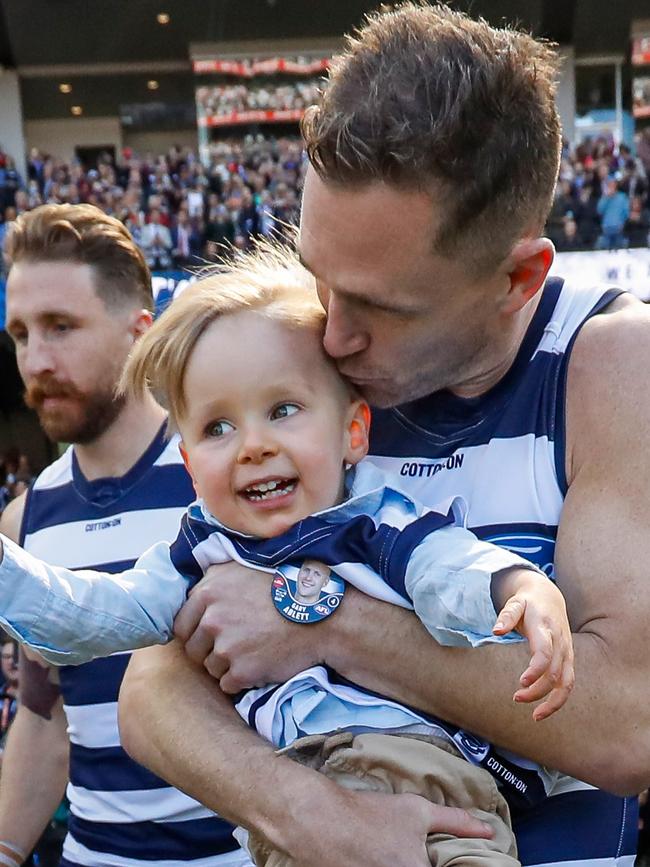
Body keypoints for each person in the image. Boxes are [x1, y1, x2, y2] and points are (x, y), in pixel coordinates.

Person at [118, 6, 650, 867]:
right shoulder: (303, 363)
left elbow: (627, 720)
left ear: (518, 277)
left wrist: (330, 623)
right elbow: (152, 688)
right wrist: (313, 813)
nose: (332, 336)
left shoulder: (608, 366)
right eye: (322, 278)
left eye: (382, 307)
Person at [0, 247, 574, 866]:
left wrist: (519, 586)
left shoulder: (372, 521)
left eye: (283, 410)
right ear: (189, 465)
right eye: (218, 427)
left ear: (353, 431)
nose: (253, 446)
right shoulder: (198, 554)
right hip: (300, 804)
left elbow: (445, 566)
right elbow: (94, 617)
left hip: (434, 782)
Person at [0, 203, 248, 867]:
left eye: (60, 327)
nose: (36, 358)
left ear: (140, 333)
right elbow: (47, 716)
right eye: (20, 334)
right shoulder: (26, 519)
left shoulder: (227, 479)